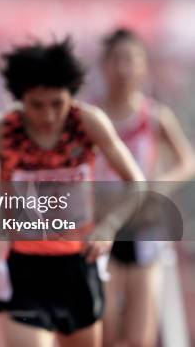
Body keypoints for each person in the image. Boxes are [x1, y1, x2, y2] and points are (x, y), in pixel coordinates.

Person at [0, 38, 144, 347]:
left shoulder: (87, 122)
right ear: (20, 98)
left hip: (79, 265)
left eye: (58, 103)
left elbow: (136, 182)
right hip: (26, 269)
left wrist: (108, 227)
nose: (49, 115)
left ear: (72, 95)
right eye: (37, 105)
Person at [96, 28, 195, 347]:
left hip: (143, 231)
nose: (124, 68)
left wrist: (157, 188)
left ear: (143, 67)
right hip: (102, 232)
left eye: (132, 60)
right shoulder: (89, 117)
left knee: (140, 337)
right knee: (106, 331)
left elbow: (187, 160)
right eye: (117, 60)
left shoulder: (154, 116)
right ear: (104, 66)